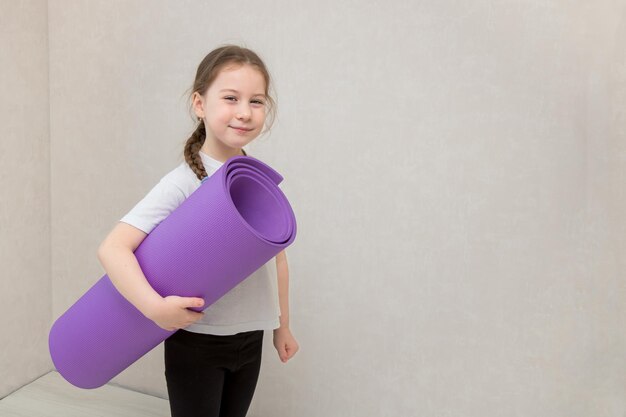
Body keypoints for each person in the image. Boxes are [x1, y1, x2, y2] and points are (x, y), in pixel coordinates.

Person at [96, 44, 299, 417]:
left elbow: (278, 261)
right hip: (197, 343)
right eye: (230, 98)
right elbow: (113, 248)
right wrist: (155, 309)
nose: (244, 112)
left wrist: (281, 328)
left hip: (251, 337)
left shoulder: (257, 180)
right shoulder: (182, 183)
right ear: (200, 104)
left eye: (256, 101)